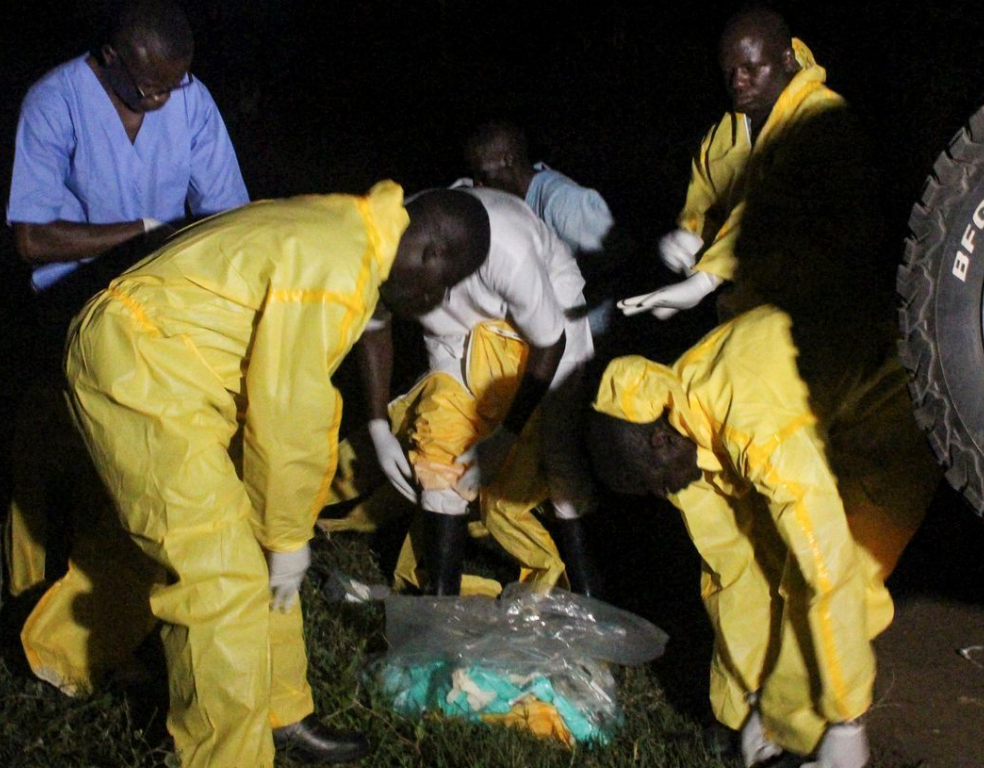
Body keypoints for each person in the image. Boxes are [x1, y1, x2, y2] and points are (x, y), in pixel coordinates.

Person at [20, 181, 491, 768]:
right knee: (220, 571)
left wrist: (282, 532)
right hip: (145, 363)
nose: (437, 298)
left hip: (175, 361)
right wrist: (289, 535)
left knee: (205, 535)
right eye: (445, 283)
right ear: (433, 253)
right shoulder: (337, 266)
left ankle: (273, 709)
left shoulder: (352, 229)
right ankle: (227, 755)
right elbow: (287, 413)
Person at [587, 305, 939, 767]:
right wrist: (751, 700)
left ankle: (815, 734)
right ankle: (767, 725)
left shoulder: (752, 420)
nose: (663, 493)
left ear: (661, 442)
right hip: (817, 417)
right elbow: (731, 569)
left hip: (891, 412)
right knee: (765, 562)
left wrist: (846, 718)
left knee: (842, 570)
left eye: (655, 483)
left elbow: (828, 573)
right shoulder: (676, 431)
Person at [4, 0, 248, 600]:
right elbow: (31, 238)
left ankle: (115, 596)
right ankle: (30, 594)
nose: (161, 98)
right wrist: (142, 231)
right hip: (69, 302)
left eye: (173, 83)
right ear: (110, 58)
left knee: (135, 459)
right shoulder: (54, 101)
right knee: (54, 456)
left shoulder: (190, 99)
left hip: (156, 299)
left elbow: (228, 216)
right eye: (147, 86)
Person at [353, 186, 600, 597]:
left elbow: (550, 342)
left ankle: (588, 591)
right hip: (458, 334)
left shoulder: (511, 253)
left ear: (440, 262)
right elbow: (374, 326)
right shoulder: (381, 242)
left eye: (416, 295)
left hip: (545, 322)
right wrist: (378, 426)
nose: (408, 307)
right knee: (441, 435)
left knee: (557, 446)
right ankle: (442, 598)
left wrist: (505, 434)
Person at [619, 8, 842, 320]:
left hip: (818, 307)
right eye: (729, 71)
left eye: (750, 68)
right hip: (745, 311)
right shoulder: (720, 140)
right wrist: (689, 243)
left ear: (787, 61)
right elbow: (705, 208)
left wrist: (705, 280)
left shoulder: (822, 117)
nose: (737, 81)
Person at [464, 121, 618, 340]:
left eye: (482, 174)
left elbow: (617, 264)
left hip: (596, 334)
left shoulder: (564, 201)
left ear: (508, 160)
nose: (478, 184)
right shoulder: (519, 199)